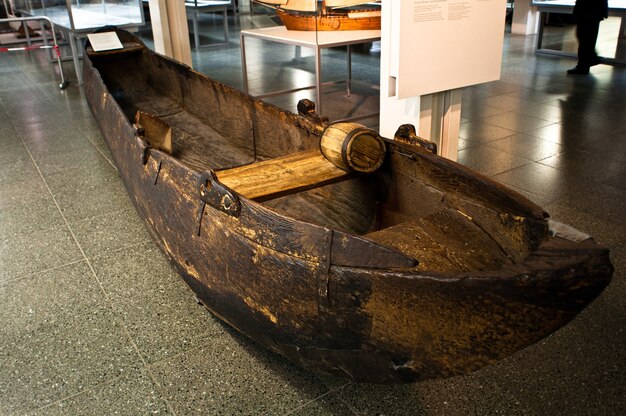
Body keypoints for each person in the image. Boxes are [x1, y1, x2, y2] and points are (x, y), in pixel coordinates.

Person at [567, 0, 609, 75]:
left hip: (588, 12)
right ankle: (588, 61)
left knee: (584, 38)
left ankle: (586, 63)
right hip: (593, 12)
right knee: (587, 38)